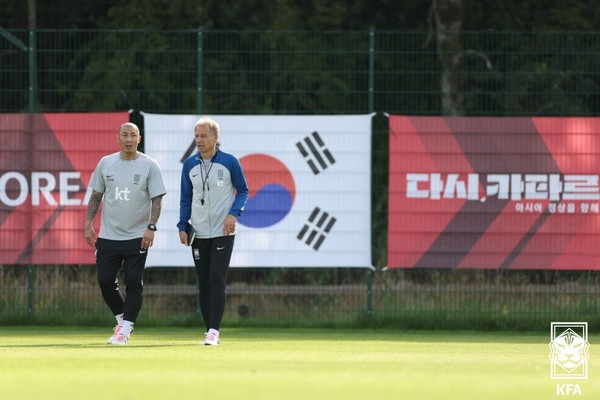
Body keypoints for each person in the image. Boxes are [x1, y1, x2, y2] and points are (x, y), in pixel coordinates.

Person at [84, 122, 166, 345]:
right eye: (125, 135)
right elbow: (96, 196)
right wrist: (88, 222)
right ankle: (122, 318)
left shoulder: (150, 166)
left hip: (137, 236)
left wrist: (151, 227)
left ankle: (126, 328)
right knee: (105, 280)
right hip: (108, 236)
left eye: (133, 135)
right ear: (118, 138)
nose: (129, 139)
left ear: (139, 138)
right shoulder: (106, 163)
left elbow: (157, 200)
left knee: (133, 283)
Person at [178, 117, 248, 346]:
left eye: (203, 136)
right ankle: (208, 328)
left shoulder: (230, 162)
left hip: (223, 232)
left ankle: (214, 331)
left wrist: (233, 214)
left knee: (217, 278)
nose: (199, 140)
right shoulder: (189, 165)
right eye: (196, 136)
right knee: (204, 280)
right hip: (198, 233)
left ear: (215, 138)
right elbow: (185, 198)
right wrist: (182, 225)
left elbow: (244, 191)